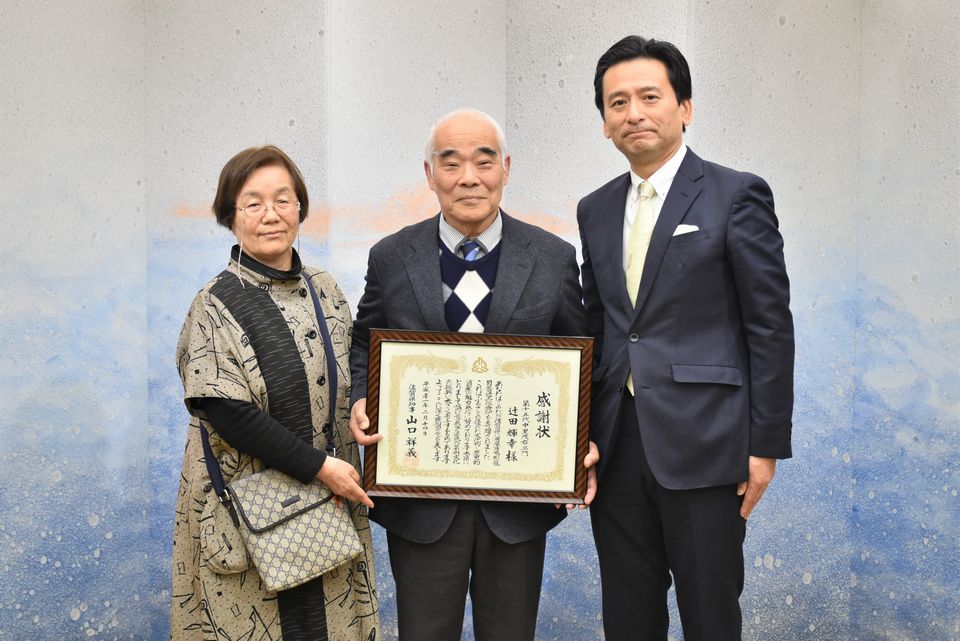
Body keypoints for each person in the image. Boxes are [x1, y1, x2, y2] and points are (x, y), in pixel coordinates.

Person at [348, 108, 596, 641]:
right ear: (429, 173)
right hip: (419, 501)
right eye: (452, 162)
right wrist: (357, 399)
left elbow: (581, 358)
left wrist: (582, 437)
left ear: (505, 168)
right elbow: (361, 343)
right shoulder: (391, 257)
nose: (469, 177)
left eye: (484, 162)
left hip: (517, 505)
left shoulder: (553, 258)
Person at [578, 36, 795, 641]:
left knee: (710, 616)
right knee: (627, 617)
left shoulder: (736, 194)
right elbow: (598, 327)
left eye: (650, 96)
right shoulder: (594, 210)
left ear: (685, 108)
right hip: (617, 447)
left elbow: (770, 326)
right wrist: (580, 439)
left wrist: (765, 445)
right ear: (604, 123)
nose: (634, 113)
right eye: (617, 103)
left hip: (708, 445)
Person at [170, 146, 380, 641]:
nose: (271, 215)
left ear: (300, 209)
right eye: (254, 203)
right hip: (249, 520)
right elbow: (229, 413)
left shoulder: (324, 289)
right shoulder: (213, 304)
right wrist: (320, 468)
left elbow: (350, 372)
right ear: (230, 216)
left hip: (326, 517)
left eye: (283, 201)